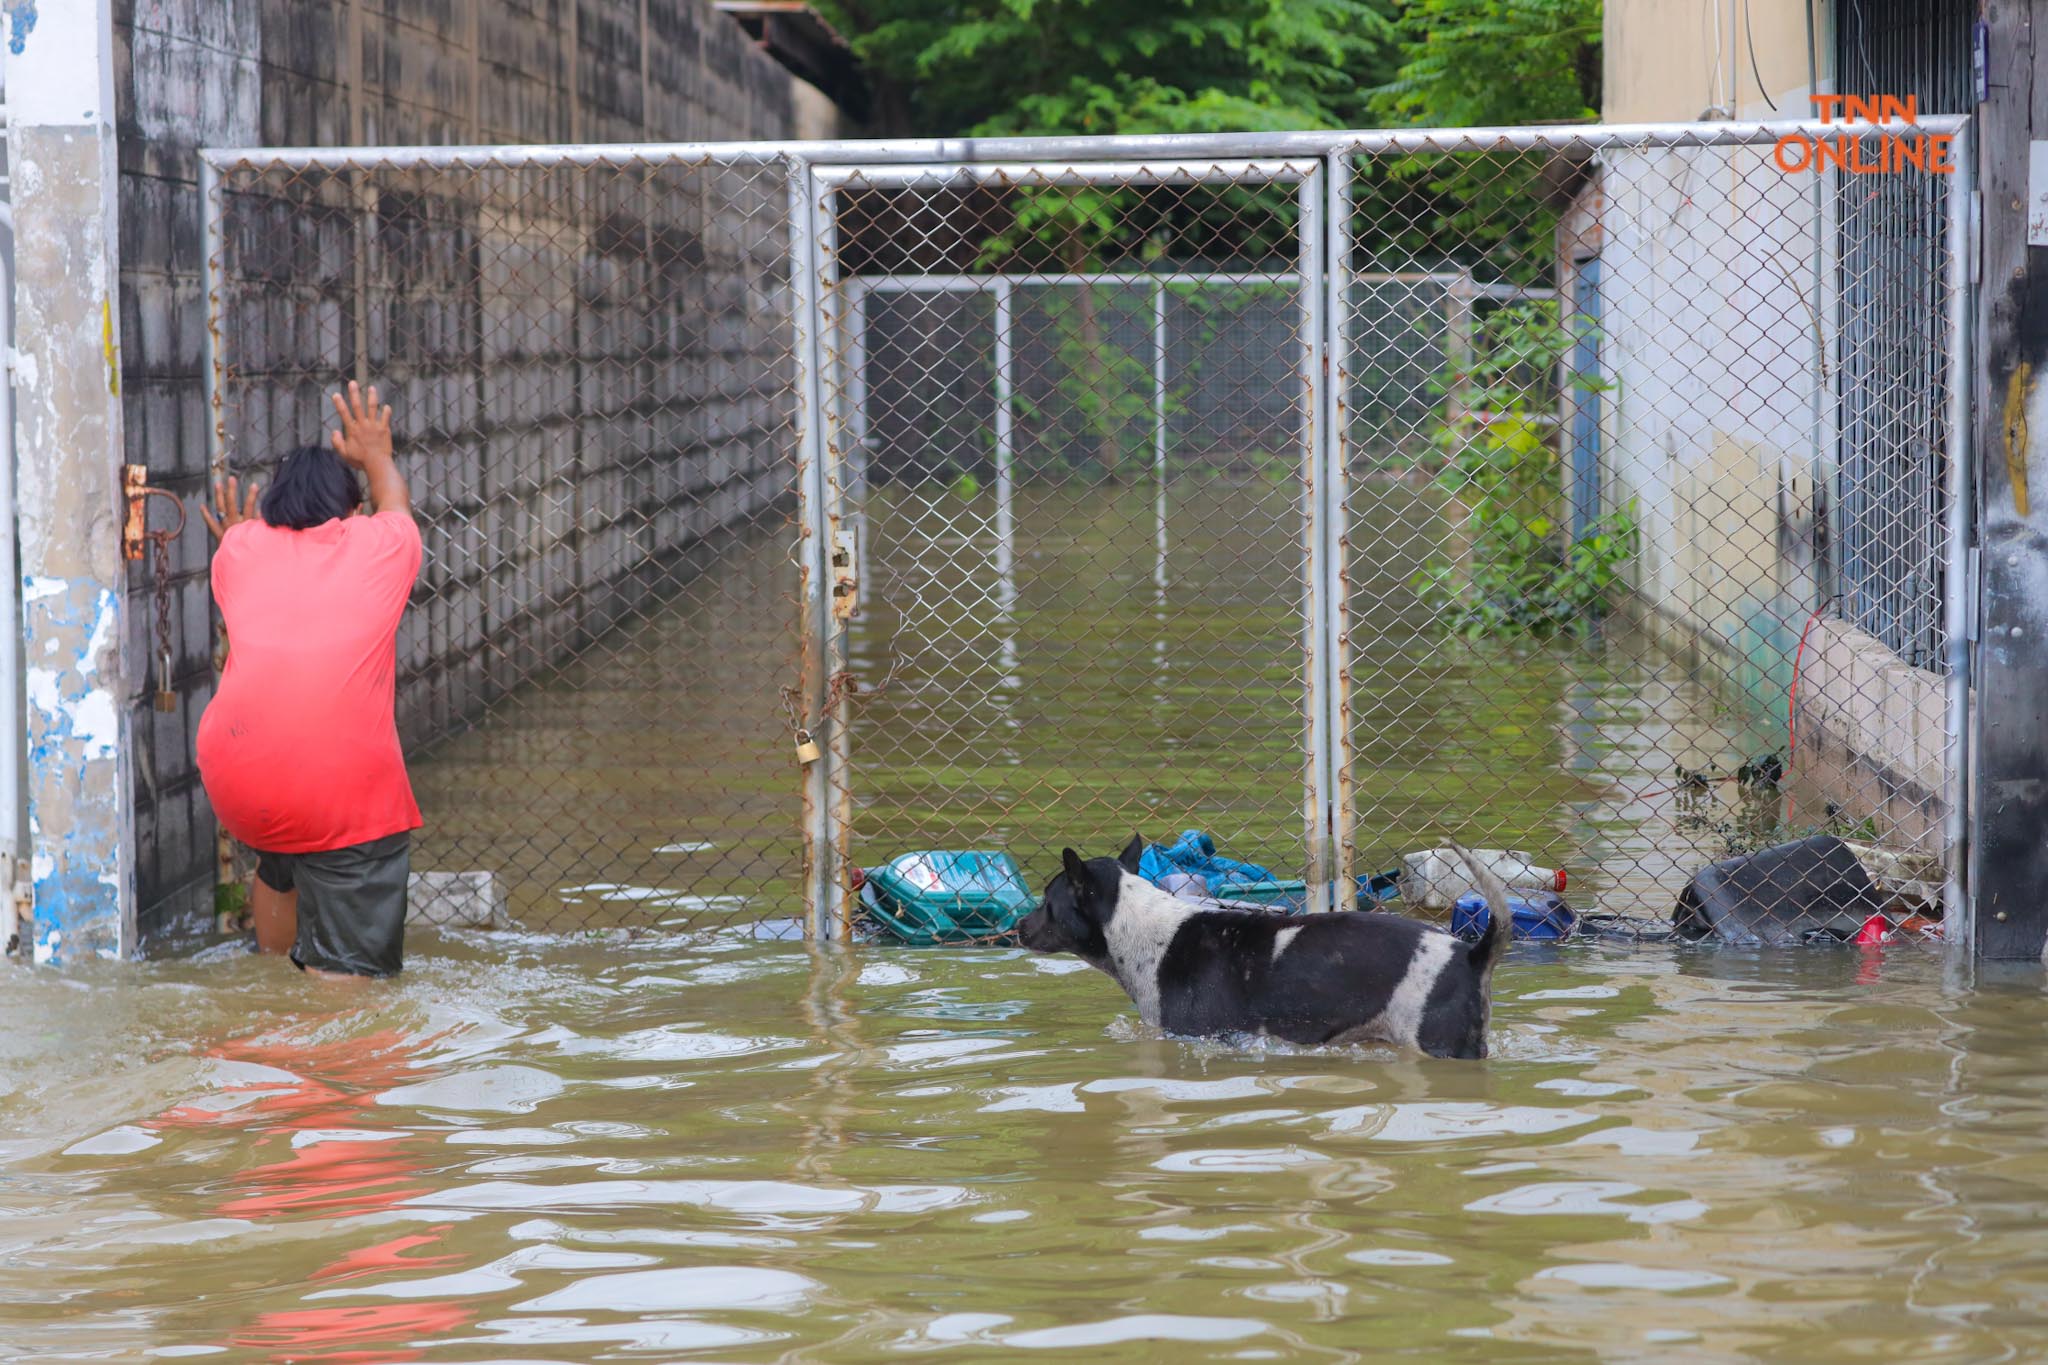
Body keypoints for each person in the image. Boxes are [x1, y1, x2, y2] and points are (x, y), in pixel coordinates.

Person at [196, 381, 422, 978]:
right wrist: (376, 454)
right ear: (349, 511)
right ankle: (332, 1032)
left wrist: (241, 537)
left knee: (283, 853)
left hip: (240, 783)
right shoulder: (381, 546)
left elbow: (253, 558)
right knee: (354, 990)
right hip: (336, 793)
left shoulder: (239, 550)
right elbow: (395, 505)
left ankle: (273, 972)